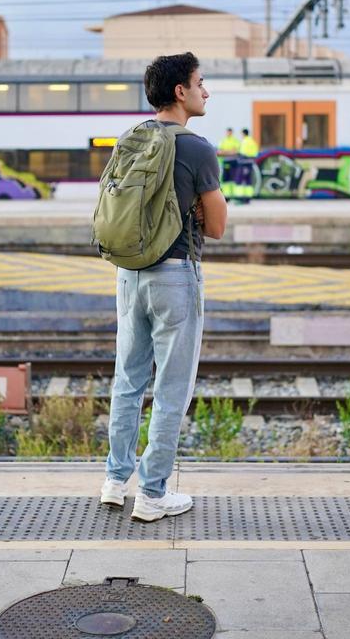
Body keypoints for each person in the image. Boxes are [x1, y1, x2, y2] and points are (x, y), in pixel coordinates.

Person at [101, 52, 228, 523]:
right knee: (172, 389)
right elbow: (216, 226)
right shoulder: (195, 147)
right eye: (200, 83)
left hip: (128, 273)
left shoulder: (132, 137)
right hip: (175, 273)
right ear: (180, 91)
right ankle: (153, 494)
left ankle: (115, 482)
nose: (206, 91)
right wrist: (196, 206)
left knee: (128, 380)